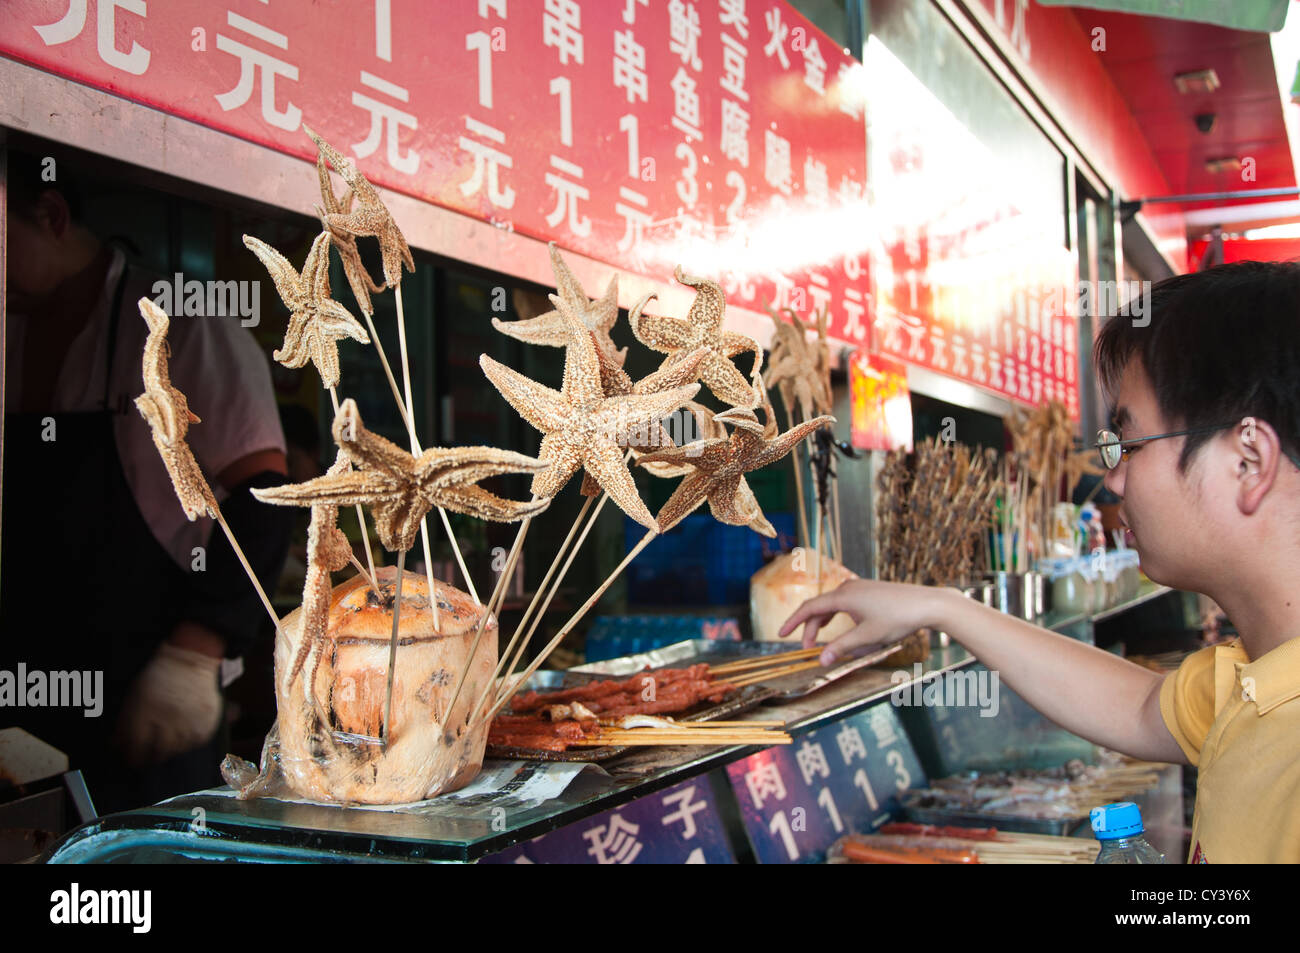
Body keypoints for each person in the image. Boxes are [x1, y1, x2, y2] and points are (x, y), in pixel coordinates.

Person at [780, 261, 1300, 864]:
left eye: (1129, 445)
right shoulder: (1251, 682)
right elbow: (1136, 707)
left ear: (1248, 461)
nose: (1113, 479)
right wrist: (941, 605)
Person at [1, 150, 292, 813]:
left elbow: (264, 498)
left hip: (150, 711)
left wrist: (195, 655)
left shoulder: (183, 328)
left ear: (49, 215)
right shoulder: (7, 331)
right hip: (21, 701)